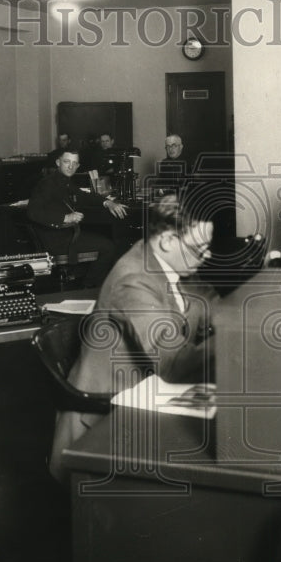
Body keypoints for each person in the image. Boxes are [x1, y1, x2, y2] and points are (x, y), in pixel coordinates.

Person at [47, 191, 217, 480]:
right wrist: (237, 345)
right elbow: (173, 363)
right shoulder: (134, 280)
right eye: (200, 248)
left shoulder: (170, 263)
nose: (207, 255)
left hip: (142, 392)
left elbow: (205, 306)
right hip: (106, 415)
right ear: (167, 241)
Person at [27, 148, 128, 287]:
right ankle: (88, 288)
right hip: (55, 239)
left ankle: (88, 285)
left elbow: (83, 196)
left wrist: (107, 202)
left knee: (105, 239)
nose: (70, 166)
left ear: (78, 166)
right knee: (109, 247)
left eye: (74, 163)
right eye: (66, 162)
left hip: (66, 234)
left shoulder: (65, 181)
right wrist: (65, 217)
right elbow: (33, 212)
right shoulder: (47, 183)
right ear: (58, 162)